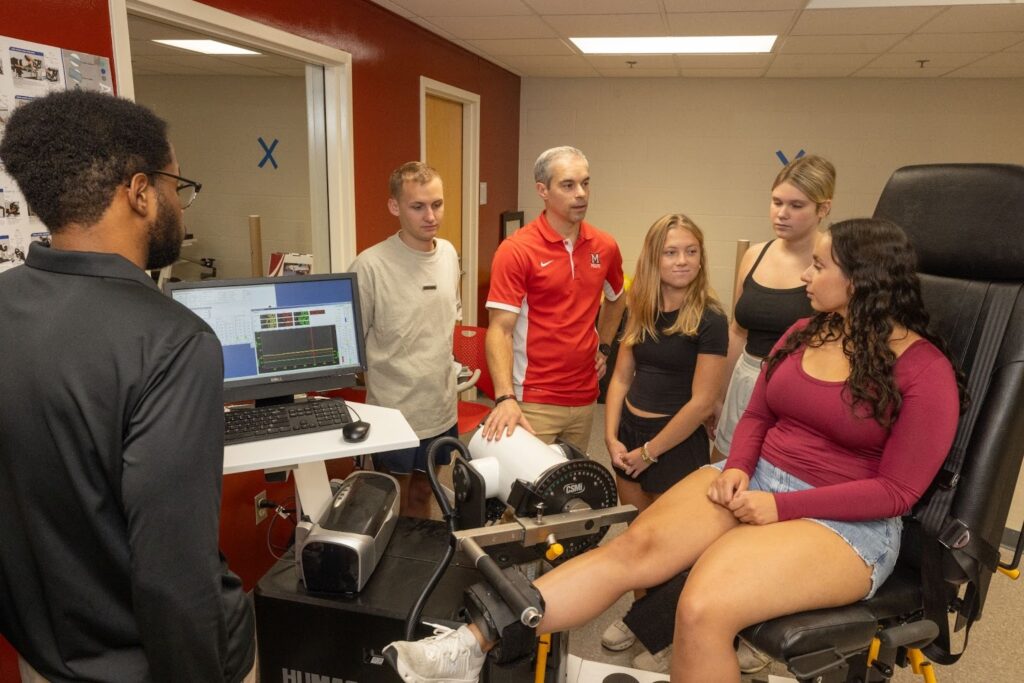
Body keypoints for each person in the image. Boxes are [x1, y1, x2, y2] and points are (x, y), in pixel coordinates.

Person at [385, 218, 963, 683]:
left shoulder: (923, 370)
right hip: (756, 476)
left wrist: (780, 508)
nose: (806, 275)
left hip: (847, 522)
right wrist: (738, 468)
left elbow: (898, 492)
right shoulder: (802, 334)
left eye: (819, 265)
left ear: (860, 280)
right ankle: (470, 644)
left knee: (703, 605)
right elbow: (759, 414)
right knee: (633, 548)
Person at [0, 91, 254, 681]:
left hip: (41, 656)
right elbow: (174, 575)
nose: (180, 206)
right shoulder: (173, 342)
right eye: (175, 186)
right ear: (140, 193)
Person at [600, 214, 727, 656]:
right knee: (639, 537)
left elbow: (702, 402)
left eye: (691, 251)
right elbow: (619, 378)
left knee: (672, 546)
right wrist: (611, 436)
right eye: (672, 252)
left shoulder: (710, 319)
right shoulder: (640, 304)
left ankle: (674, 632)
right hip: (631, 437)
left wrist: (650, 453)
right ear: (654, 258)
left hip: (673, 444)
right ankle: (641, 621)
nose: (682, 261)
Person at [482, 146, 626, 451]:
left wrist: (604, 347)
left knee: (571, 487)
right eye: (568, 185)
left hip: (585, 396)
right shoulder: (517, 250)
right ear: (542, 190)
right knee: (528, 491)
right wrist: (505, 397)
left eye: (586, 183)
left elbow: (616, 299)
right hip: (534, 398)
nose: (581, 194)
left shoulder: (605, 246)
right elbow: (500, 330)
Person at [350, 162, 461, 518]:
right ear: (395, 207)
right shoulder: (369, 266)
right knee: (390, 506)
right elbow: (353, 345)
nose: (431, 216)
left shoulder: (448, 254)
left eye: (437, 204)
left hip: (440, 407)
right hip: (393, 413)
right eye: (418, 206)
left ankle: (419, 570)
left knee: (423, 498)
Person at [713, 154, 835, 460]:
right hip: (747, 376)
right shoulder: (754, 256)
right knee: (722, 469)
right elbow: (738, 332)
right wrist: (720, 396)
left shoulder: (834, 265)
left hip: (798, 390)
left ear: (823, 208)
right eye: (776, 202)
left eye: (796, 206)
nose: (782, 213)